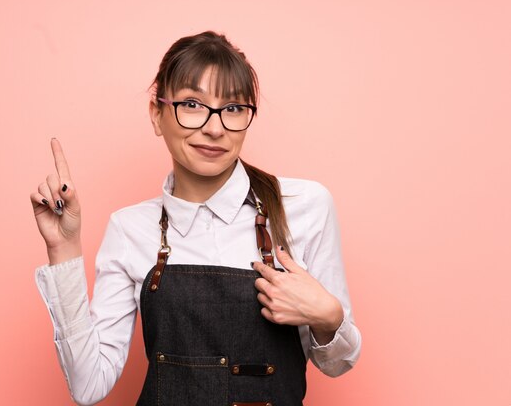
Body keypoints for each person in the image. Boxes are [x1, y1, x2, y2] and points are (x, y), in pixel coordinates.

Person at [30, 31, 361, 406]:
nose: (215, 127)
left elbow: (337, 365)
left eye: (234, 108)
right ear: (157, 114)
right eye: (192, 103)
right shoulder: (129, 229)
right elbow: (89, 385)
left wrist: (329, 317)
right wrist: (64, 249)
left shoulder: (304, 207)